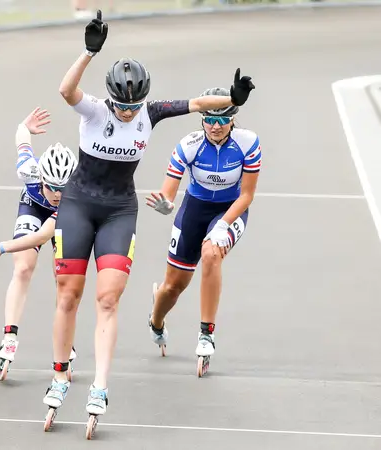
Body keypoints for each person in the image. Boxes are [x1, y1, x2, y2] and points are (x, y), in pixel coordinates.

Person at [41, 9, 255, 429]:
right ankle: (60, 375)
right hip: (78, 205)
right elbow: (66, 91)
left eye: (133, 106)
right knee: (68, 295)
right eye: (122, 106)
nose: (127, 113)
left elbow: (197, 104)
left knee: (108, 299)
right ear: (111, 99)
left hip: (119, 210)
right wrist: (88, 53)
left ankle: (100, 385)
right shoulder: (95, 110)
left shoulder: (150, 112)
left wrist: (233, 100)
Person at [145, 87, 261, 376]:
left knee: (211, 254)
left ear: (232, 120)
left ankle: (206, 333)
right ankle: (156, 321)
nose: (215, 126)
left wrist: (222, 225)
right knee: (173, 287)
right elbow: (168, 192)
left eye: (221, 120)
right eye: (209, 120)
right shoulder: (189, 145)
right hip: (194, 210)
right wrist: (166, 204)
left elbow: (247, 195)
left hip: (230, 209)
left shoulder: (248, 143)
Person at [0, 107, 79, 381]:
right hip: (33, 207)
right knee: (23, 268)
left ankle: (66, 340)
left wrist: (0, 247)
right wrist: (25, 126)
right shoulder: (28, 170)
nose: (57, 194)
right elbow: (22, 138)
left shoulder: (77, 192)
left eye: (63, 189)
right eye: (52, 188)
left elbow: (42, 236)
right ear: (41, 178)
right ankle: (9, 337)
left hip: (65, 217)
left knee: (63, 280)